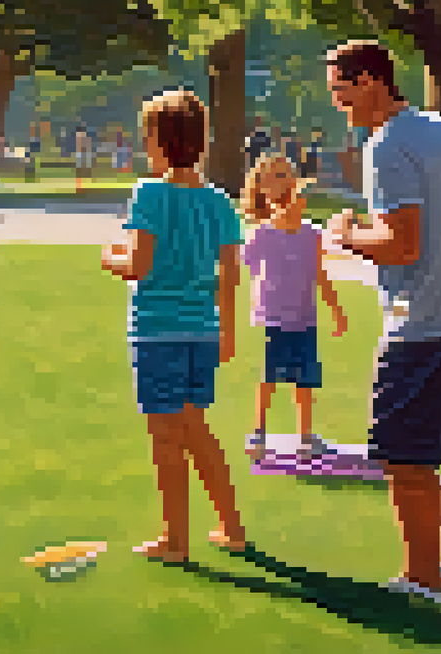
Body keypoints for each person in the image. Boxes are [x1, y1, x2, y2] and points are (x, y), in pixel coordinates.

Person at [323, 40, 441, 603]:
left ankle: (423, 579)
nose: (338, 104)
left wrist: (345, 234)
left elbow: (400, 246)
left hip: (419, 324)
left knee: (400, 456)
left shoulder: (386, 146)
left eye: (340, 91)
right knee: (415, 452)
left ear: (371, 80)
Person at [100, 89, 248, 563]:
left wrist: (110, 258)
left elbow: (139, 264)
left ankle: (175, 541)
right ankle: (230, 526)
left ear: (159, 143)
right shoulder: (220, 202)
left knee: (167, 437)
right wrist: (226, 332)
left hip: (157, 330)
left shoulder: (149, 193)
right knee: (195, 430)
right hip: (202, 331)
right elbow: (231, 274)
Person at [239, 153, 348, 460]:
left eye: (286, 174)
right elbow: (238, 267)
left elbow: (320, 275)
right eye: (274, 176)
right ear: (261, 189)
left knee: (305, 379)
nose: (282, 181)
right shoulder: (261, 233)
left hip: (305, 319)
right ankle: (257, 433)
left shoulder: (311, 234)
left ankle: (306, 437)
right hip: (273, 318)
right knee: (270, 377)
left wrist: (336, 310)